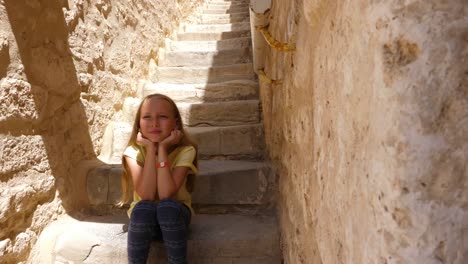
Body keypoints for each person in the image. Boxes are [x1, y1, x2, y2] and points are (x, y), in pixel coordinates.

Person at [119, 93, 198, 264]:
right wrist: (149, 149)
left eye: (162, 117)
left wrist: (162, 148)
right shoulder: (133, 151)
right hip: (145, 222)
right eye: (147, 117)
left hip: (175, 219)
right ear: (139, 124)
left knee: (167, 207)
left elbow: (166, 194)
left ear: (176, 122)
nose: (154, 123)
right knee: (142, 208)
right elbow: (146, 195)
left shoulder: (186, 150)